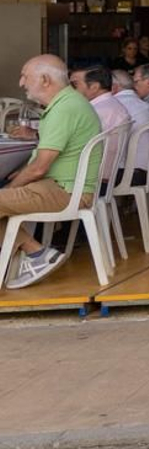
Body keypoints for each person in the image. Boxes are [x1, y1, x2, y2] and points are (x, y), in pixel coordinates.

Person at [0, 56, 102, 288]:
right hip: (63, 186)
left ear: (45, 79)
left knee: (3, 194)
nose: (20, 83)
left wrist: (10, 189)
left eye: (25, 76)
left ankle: (36, 255)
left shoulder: (64, 108)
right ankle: (35, 254)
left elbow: (39, 168)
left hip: (64, 190)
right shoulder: (69, 103)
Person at [69, 66, 131, 140]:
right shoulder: (113, 104)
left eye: (74, 84)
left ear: (94, 87)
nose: (69, 89)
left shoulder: (94, 111)